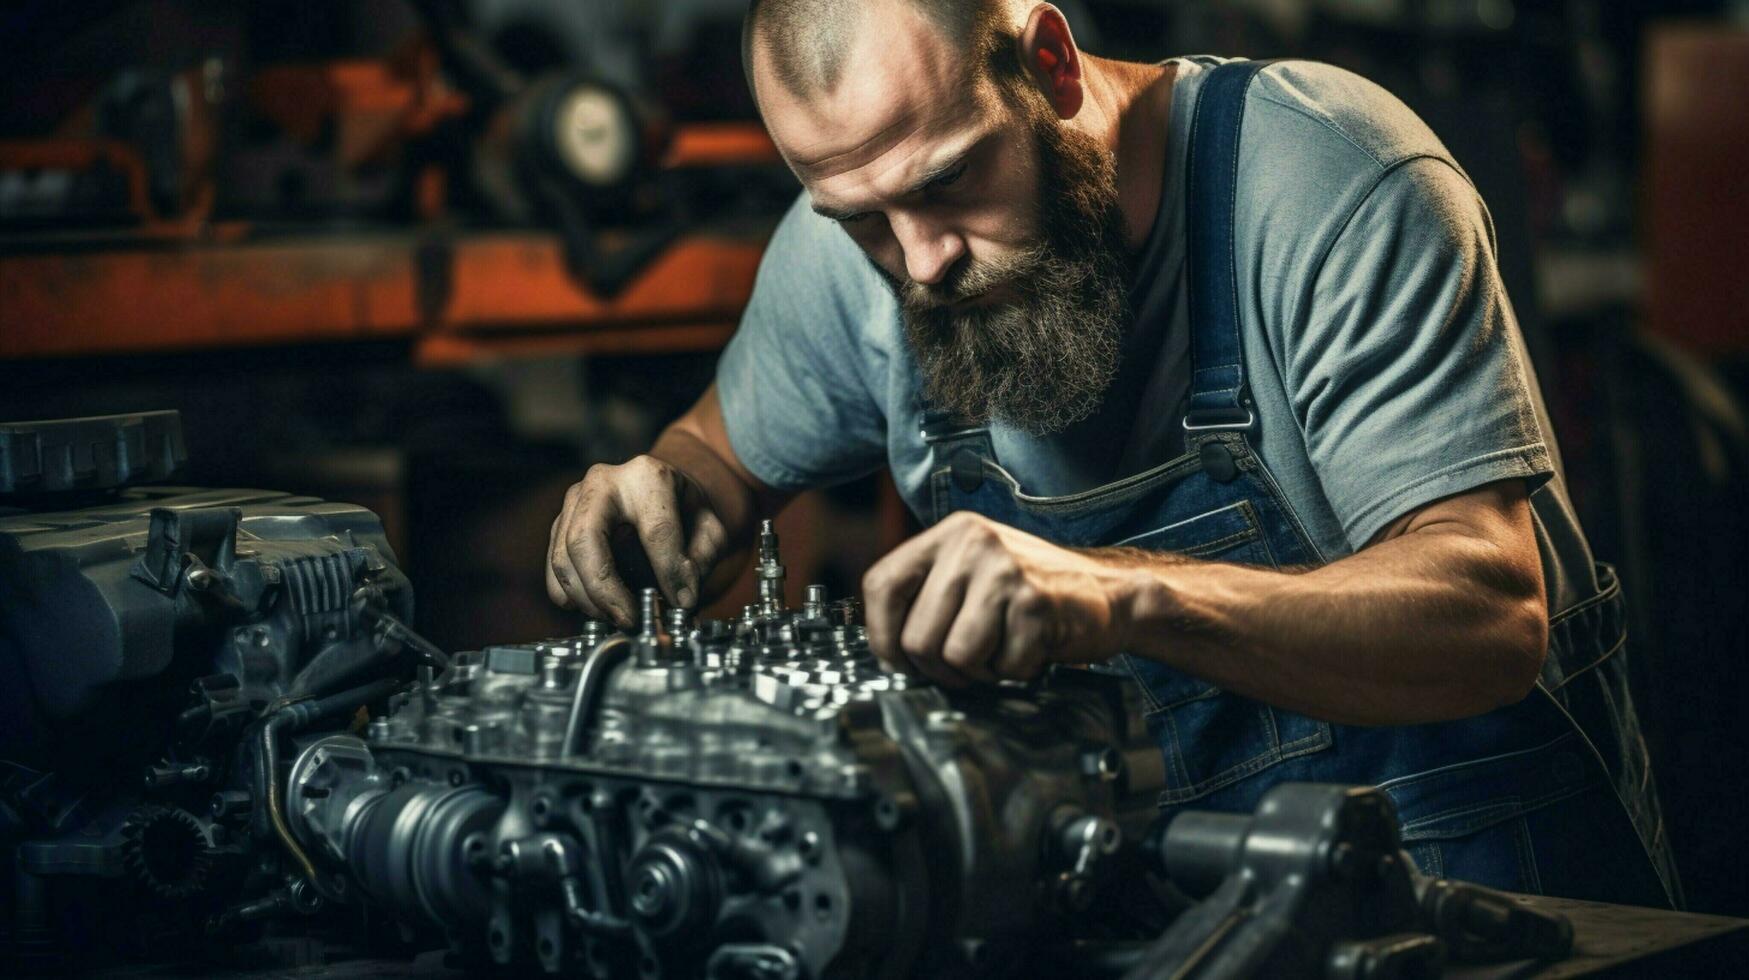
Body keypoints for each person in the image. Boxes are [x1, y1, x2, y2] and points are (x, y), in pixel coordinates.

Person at [546, 0, 1677, 906]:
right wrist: (662, 492)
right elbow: (714, 451)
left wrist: (1117, 595)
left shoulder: (1325, 176)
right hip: (1153, 910)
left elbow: (1491, 617)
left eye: (949, 182)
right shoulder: (865, 243)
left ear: (1050, 65)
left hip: (1470, 890)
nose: (920, 260)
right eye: (859, 216)